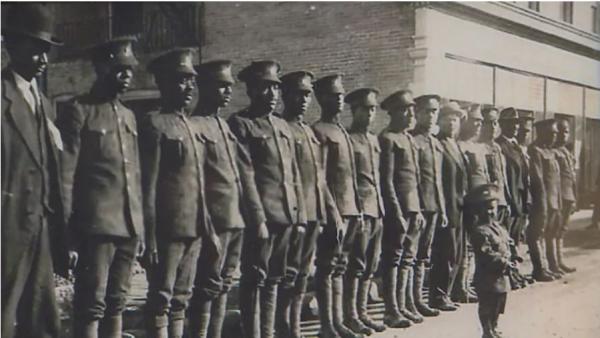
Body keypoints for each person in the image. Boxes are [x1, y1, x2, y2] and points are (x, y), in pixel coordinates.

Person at [58, 36, 145, 338]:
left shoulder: (129, 116)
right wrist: (67, 233)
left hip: (128, 228)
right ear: (100, 67)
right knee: (91, 305)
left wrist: (140, 228)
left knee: (117, 303)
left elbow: (134, 176)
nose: (127, 75)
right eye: (119, 69)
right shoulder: (78, 110)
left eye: (130, 69)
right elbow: (66, 174)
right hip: (95, 228)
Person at [1, 4, 76, 338]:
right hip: (7, 229)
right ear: (12, 46)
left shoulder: (44, 102)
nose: (44, 59)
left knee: (42, 319)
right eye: (36, 50)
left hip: (41, 229)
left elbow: (52, 168)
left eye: (47, 51)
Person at [228, 61, 307, 338]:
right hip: (262, 217)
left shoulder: (282, 126)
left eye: (275, 87)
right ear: (251, 90)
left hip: (286, 216)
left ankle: (269, 332)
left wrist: (299, 216)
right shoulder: (241, 124)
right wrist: (257, 219)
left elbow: (293, 174)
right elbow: (245, 174)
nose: (273, 94)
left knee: (275, 277)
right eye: (265, 87)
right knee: (254, 278)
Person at [189, 60, 266, 338]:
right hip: (214, 221)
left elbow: (243, 175)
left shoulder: (223, 126)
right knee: (206, 287)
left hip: (235, 219)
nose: (227, 92)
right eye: (221, 86)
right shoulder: (194, 125)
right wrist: (206, 224)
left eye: (229, 86)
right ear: (204, 87)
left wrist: (252, 217)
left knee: (224, 283)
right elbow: (195, 182)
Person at [139, 48, 213, 338]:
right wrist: (150, 236)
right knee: (161, 297)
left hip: (193, 226)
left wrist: (206, 227)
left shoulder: (192, 125)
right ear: (164, 84)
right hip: (167, 230)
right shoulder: (154, 124)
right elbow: (148, 185)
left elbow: (199, 182)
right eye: (181, 80)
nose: (189, 87)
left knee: (182, 297)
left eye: (191, 81)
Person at [278, 71, 343, 338]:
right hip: (295, 215)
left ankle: (295, 330)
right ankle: (284, 329)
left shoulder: (308, 131)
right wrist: (297, 215)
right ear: (285, 96)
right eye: (298, 94)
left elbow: (321, 178)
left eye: (306, 94)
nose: (304, 100)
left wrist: (332, 211)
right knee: (287, 275)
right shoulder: (281, 128)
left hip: (315, 213)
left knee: (304, 275)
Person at [312, 74, 364, 338]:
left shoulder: (342, 130)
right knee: (327, 266)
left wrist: (358, 209)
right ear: (321, 98)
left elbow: (351, 175)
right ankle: (326, 325)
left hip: (351, 208)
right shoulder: (319, 130)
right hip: (335, 211)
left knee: (342, 266)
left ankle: (339, 321)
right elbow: (320, 178)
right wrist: (333, 213)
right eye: (334, 95)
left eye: (342, 94)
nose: (340, 99)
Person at [378, 90, 422, 328]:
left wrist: (419, 210)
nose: (410, 114)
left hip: (414, 207)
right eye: (405, 110)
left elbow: (415, 179)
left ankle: (404, 305)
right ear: (393, 113)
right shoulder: (388, 139)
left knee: (408, 258)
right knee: (393, 258)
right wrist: (395, 213)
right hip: (399, 209)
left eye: (412, 110)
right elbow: (387, 181)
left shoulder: (408, 139)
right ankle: (391, 309)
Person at [346, 88, 387, 334]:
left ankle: (362, 312)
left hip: (377, 209)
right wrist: (356, 211)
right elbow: (347, 178)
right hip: (360, 209)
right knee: (356, 264)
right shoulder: (349, 139)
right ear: (354, 110)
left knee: (371, 264)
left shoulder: (373, 139)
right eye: (366, 109)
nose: (371, 113)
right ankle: (350, 314)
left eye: (373, 108)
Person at [411, 94, 449, 318]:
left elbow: (438, 181)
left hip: (435, 206)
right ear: (417, 113)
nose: (432, 115)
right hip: (420, 207)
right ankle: (411, 301)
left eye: (435, 111)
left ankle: (418, 300)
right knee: (412, 255)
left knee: (424, 256)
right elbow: (413, 179)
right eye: (427, 111)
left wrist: (442, 209)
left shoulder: (435, 143)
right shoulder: (413, 141)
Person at [429, 101, 467, 312]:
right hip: (447, 206)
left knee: (457, 252)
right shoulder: (438, 144)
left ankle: (451, 291)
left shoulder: (456, 144)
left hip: (460, 207)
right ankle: (438, 295)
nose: (452, 123)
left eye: (455, 120)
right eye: (448, 119)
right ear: (440, 121)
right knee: (445, 253)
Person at [467, 184, 514, 338]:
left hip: (500, 276)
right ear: (478, 210)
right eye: (487, 208)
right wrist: (503, 261)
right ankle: (487, 331)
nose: (491, 212)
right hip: (487, 277)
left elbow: (508, 243)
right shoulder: (480, 231)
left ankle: (494, 327)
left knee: (499, 303)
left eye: (493, 208)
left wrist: (513, 256)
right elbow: (486, 253)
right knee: (487, 305)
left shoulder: (499, 228)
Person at [454, 105, 490, 303]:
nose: (478, 125)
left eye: (480, 121)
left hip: (482, 201)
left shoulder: (478, 146)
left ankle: (474, 282)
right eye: (475, 120)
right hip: (468, 201)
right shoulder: (460, 146)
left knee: (481, 243)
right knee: (466, 246)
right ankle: (461, 286)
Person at [496, 107, 529, 289]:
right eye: (511, 123)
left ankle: (515, 272)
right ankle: (508, 276)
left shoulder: (516, 145)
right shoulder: (500, 145)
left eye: (517, 123)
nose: (515, 127)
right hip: (510, 198)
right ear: (502, 125)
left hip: (521, 199)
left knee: (516, 239)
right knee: (507, 239)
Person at [527, 119, 561, 282]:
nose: (555, 136)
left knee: (549, 233)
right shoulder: (535, 151)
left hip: (554, 201)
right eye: (552, 133)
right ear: (542, 133)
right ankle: (539, 269)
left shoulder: (550, 152)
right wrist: (542, 204)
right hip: (543, 202)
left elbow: (556, 180)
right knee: (537, 235)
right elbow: (538, 180)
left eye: (555, 133)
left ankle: (549, 267)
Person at [553, 118, 577, 273]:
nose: (564, 135)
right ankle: (555, 261)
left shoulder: (567, 151)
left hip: (569, 196)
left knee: (562, 230)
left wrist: (575, 198)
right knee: (554, 230)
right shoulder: (553, 151)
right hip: (559, 196)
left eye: (567, 131)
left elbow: (573, 177)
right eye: (561, 131)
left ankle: (560, 260)